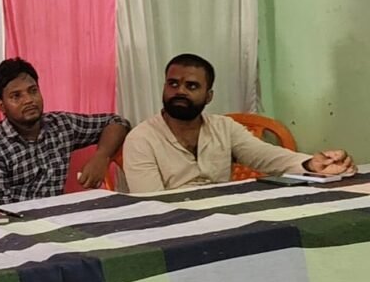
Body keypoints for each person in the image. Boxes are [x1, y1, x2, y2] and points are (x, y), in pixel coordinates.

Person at [123, 54, 355, 192]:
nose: (180, 91)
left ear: (209, 96)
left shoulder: (223, 127)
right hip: (173, 228)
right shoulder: (141, 139)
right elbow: (152, 206)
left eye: (191, 86)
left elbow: (266, 156)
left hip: (225, 218)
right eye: (173, 84)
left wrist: (311, 164)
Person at [0, 58, 131, 206]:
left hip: (59, 218)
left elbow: (117, 123)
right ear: (1, 106)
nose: (29, 100)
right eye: (16, 96)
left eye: (33, 91)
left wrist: (102, 157)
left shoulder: (61, 125)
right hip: (18, 224)